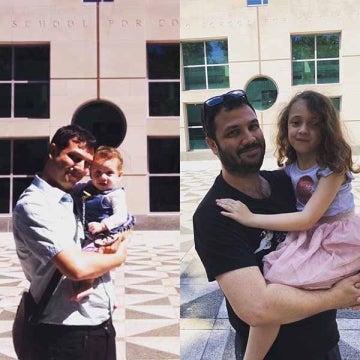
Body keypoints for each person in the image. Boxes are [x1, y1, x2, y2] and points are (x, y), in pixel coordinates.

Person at [193, 89, 360, 360]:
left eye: (253, 126)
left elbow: (332, 240)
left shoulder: (285, 183)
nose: (249, 138)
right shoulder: (215, 215)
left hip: (324, 344)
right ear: (213, 145)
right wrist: (336, 297)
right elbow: (257, 309)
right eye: (233, 132)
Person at [12, 124, 127, 360]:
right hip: (63, 334)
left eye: (87, 163)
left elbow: (121, 226)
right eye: (74, 157)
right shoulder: (35, 205)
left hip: (99, 324)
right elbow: (77, 268)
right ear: (53, 151)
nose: (80, 169)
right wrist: (119, 256)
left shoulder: (74, 197)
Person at [71, 145, 135, 301]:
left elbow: (120, 216)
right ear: (91, 174)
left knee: (89, 257)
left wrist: (103, 225)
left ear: (119, 175)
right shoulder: (87, 189)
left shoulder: (115, 195)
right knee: (101, 268)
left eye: (109, 173)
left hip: (107, 234)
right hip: (92, 233)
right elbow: (74, 190)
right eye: (97, 173)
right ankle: (109, 299)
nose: (103, 177)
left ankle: (87, 285)